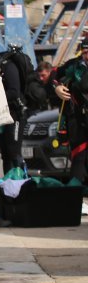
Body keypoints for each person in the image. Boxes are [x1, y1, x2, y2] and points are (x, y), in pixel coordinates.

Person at [52, 37, 88, 185]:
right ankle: (78, 196)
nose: (87, 55)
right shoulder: (74, 65)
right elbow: (55, 77)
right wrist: (57, 88)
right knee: (78, 157)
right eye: (85, 52)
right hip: (78, 118)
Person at [0, 47, 27, 173]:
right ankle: (8, 185)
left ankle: (20, 184)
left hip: (15, 114)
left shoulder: (8, 66)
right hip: (1, 114)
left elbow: (14, 92)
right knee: (5, 154)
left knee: (13, 151)